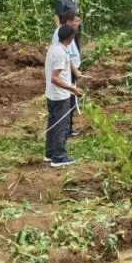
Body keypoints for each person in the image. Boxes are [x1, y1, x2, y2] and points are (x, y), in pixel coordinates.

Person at [45, 25, 82, 168]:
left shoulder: (54, 48)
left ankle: (49, 154)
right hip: (60, 96)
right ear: (71, 38)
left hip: (52, 94)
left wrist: (75, 72)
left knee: (53, 124)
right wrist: (72, 88)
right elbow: (55, 78)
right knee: (61, 125)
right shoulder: (60, 53)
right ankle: (59, 157)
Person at [52, 12, 83, 138]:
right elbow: (66, 55)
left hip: (69, 70)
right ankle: (65, 130)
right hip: (66, 72)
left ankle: (68, 128)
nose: (78, 23)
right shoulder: (62, 35)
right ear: (69, 22)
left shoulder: (68, 32)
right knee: (68, 100)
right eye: (76, 21)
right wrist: (75, 71)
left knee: (70, 100)